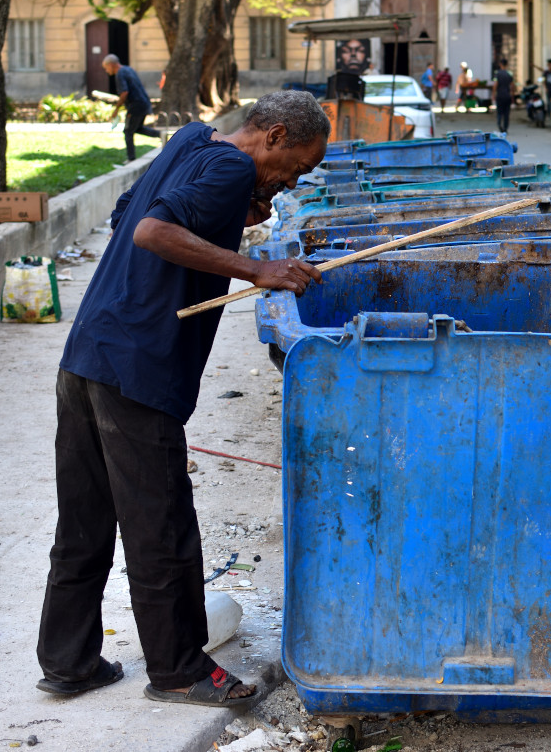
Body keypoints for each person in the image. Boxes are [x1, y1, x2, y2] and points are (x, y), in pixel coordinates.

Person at [36, 91, 331, 707]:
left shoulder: (193, 141)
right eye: (296, 166)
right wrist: (255, 269)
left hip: (89, 350)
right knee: (160, 523)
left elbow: (127, 212)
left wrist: (229, 223)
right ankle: (177, 671)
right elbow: (151, 230)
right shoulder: (232, 167)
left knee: (84, 520)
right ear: (274, 135)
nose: (290, 182)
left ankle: (69, 663)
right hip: (141, 369)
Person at [102, 54, 160, 162]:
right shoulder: (128, 69)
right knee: (138, 128)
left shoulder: (119, 74)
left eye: (106, 68)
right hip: (144, 103)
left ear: (111, 65)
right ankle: (161, 135)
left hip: (136, 106)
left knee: (128, 131)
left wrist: (116, 109)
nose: (106, 71)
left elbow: (124, 93)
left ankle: (131, 159)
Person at [492, 57, 514, 134]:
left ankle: (499, 125)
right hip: (507, 96)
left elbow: (495, 85)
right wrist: (512, 95)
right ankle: (505, 128)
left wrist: (493, 94)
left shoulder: (497, 74)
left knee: (500, 112)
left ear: (500, 64)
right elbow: (512, 86)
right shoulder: (509, 74)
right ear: (506, 64)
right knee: (506, 113)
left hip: (500, 96)